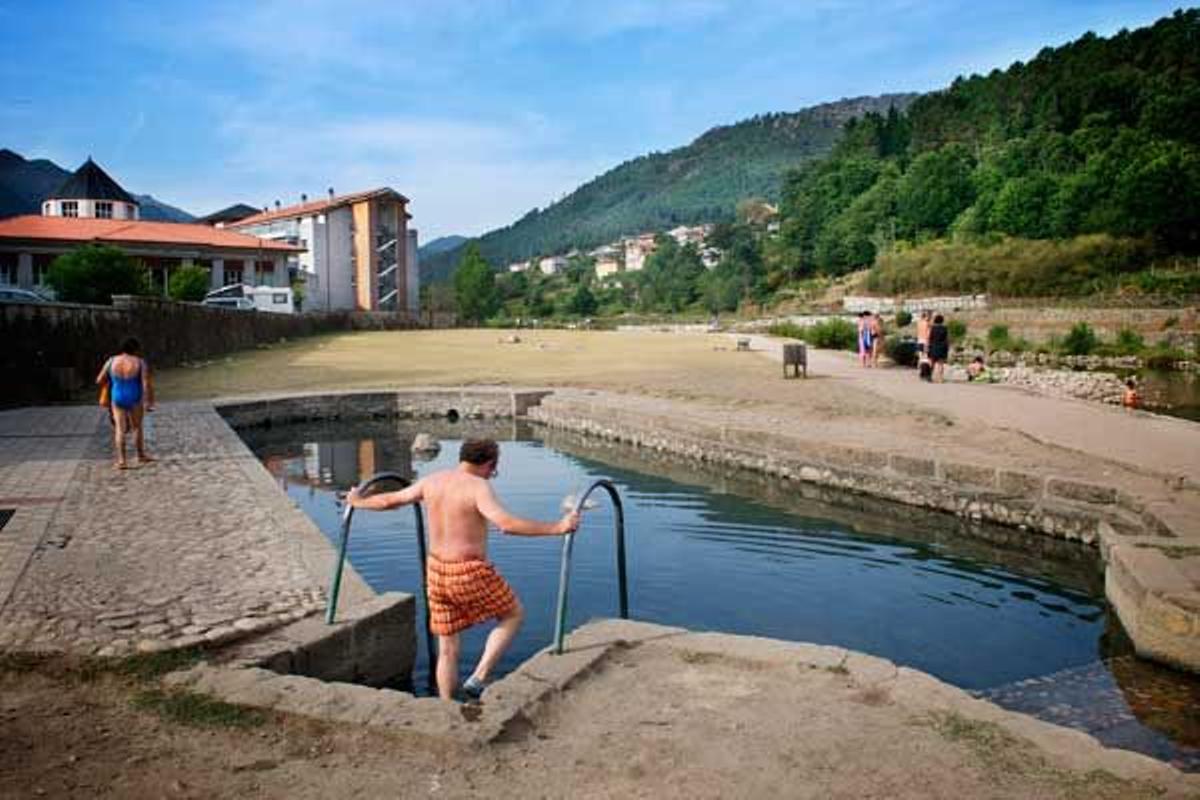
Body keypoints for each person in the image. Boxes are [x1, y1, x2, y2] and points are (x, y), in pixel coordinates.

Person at [346, 438, 580, 702]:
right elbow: (507, 524)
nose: (493, 474)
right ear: (490, 464)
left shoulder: (432, 480)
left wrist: (357, 501)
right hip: (467, 571)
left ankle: (446, 707)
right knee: (513, 614)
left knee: (447, 648)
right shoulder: (478, 487)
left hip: (435, 572)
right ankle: (479, 677)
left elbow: (390, 500)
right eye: (494, 468)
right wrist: (557, 528)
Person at [96, 337, 155, 469]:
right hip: (135, 396)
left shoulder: (111, 361)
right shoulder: (140, 362)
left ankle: (122, 461)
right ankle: (140, 455)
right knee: (137, 427)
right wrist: (147, 401)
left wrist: (111, 383)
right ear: (135, 349)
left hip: (117, 396)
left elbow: (99, 380)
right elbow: (145, 383)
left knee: (119, 428)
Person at [928, 314, 950, 383]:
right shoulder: (945, 328)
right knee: (941, 364)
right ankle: (940, 379)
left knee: (932, 363)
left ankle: (930, 377)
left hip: (934, 347)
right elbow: (946, 339)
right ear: (942, 321)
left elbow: (930, 338)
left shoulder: (933, 328)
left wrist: (929, 347)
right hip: (942, 347)